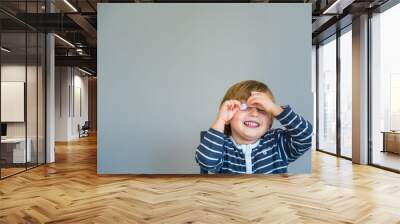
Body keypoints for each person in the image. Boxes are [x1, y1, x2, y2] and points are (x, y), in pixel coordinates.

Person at [195, 80, 313, 174]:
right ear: (228, 116)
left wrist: (274, 108)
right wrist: (220, 120)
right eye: (245, 107)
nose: (254, 113)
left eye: (262, 109)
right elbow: (206, 162)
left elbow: (305, 135)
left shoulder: (277, 142)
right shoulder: (221, 146)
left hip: (272, 202)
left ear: (269, 123)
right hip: (232, 201)